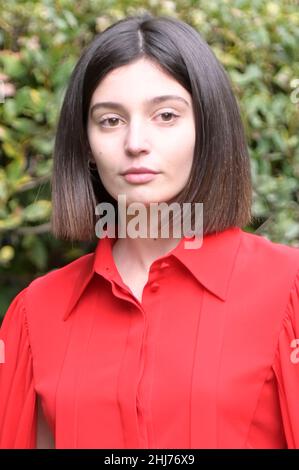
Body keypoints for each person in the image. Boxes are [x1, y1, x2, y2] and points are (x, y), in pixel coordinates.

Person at [0, 12, 299, 450]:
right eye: (110, 120)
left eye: (165, 115)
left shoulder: (289, 288)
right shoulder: (35, 314)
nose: (135, 141)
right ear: (86, 144)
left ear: (207, 128)